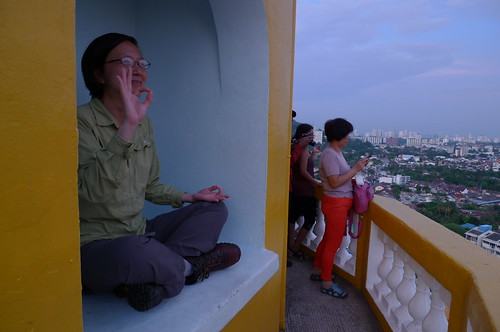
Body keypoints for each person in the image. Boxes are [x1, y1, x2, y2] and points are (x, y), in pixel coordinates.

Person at [78, 33, 240, 312]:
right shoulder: (80, 122)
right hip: (97, 246)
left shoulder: (145, 123)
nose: (138, 69)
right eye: (126, 61)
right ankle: (190, 269)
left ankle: (150, 279)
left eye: (142, 62)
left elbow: (149, 185)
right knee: (131, 251)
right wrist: (126, 128)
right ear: (99, 74)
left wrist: (190, 196)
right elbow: (91, 194)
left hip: (139, 232)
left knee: (214, 210)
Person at [310, 118, 369, 299]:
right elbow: (335, 182)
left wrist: (353, 172)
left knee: (328, 239)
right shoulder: (329, 155)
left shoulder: (336, 153)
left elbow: (336, 179)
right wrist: (356, 169)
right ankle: (327, 282)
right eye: (346, 135)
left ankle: (319, 269)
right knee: (332, 245)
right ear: (338, 136)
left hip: (338, 203)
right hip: (336, 203)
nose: (348, 139)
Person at [288, 124, 321, 260]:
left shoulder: (296, 146)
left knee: (292, 217)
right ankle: (294, 247)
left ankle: (290, 247)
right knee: (310, 219)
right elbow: (303, 172)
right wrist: (317, 182)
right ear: (303, 135)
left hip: (295, 188)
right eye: (310, 134)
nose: (312, 137)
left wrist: (313, 154)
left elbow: (303, 165)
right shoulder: (301, 149)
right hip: (304, 189)